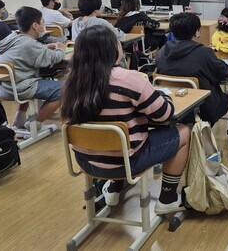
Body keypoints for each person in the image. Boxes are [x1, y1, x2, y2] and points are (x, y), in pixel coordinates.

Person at [61, 25, 190, 214]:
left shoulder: (71, 80)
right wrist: (166, 98)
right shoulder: (129, 79)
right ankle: (168, 199)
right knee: (183, 131)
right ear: (113, 50)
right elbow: (164, 113)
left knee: (114, 136)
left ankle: (113, 189)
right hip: (126, 163)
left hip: (86, 161)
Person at [0, 6, 65, 129]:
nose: (44, 25)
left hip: (0, 87)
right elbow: (53, 58)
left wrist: (44, 48)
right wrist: (60, 49)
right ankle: (36, 124)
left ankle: (19, 120)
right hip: (18, 87)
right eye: (43, 22)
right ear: (35, 26)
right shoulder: (29, 43)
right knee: (65, 90)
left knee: (28, 76)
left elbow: (26, 51)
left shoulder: (13, 37)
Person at [156, 13, 228, 125]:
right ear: (197, 32)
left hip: (171, 104)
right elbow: (223, 72)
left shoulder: (162, 51)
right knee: (224, 98)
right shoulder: (203, 53)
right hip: (204, 108)